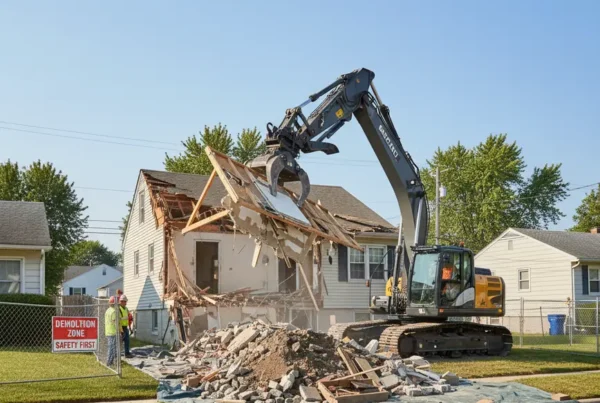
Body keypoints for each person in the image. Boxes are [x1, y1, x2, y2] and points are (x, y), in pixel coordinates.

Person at [105, 296, 118, 366]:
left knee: (110, 347)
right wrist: (119, 330)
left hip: (108, 331)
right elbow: (114, 322)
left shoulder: (108, 310)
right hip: (113, 331)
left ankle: (111, 361)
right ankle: (109, 362)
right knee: (112, 348)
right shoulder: (113, 311)